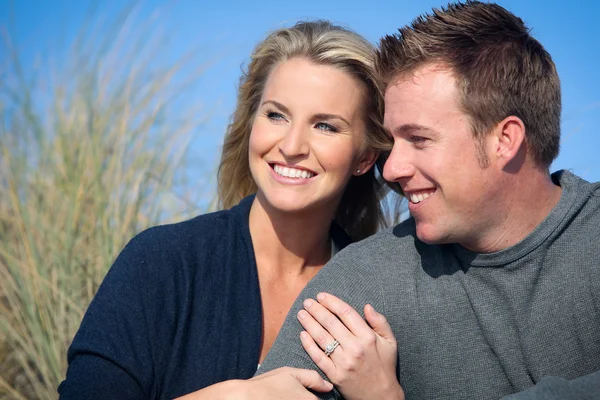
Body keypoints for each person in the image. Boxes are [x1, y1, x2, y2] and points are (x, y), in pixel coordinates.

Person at [257, 2, 600, 400]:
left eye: (418, 139)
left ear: (505, 140)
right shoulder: (363, 280)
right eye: (393, 142)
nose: (391, 169)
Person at [58, 20, 398, 399]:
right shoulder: (161, 263)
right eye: (276, 115)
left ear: (365, 157)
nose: (292, 145)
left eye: (325, 126)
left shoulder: (381, 293)